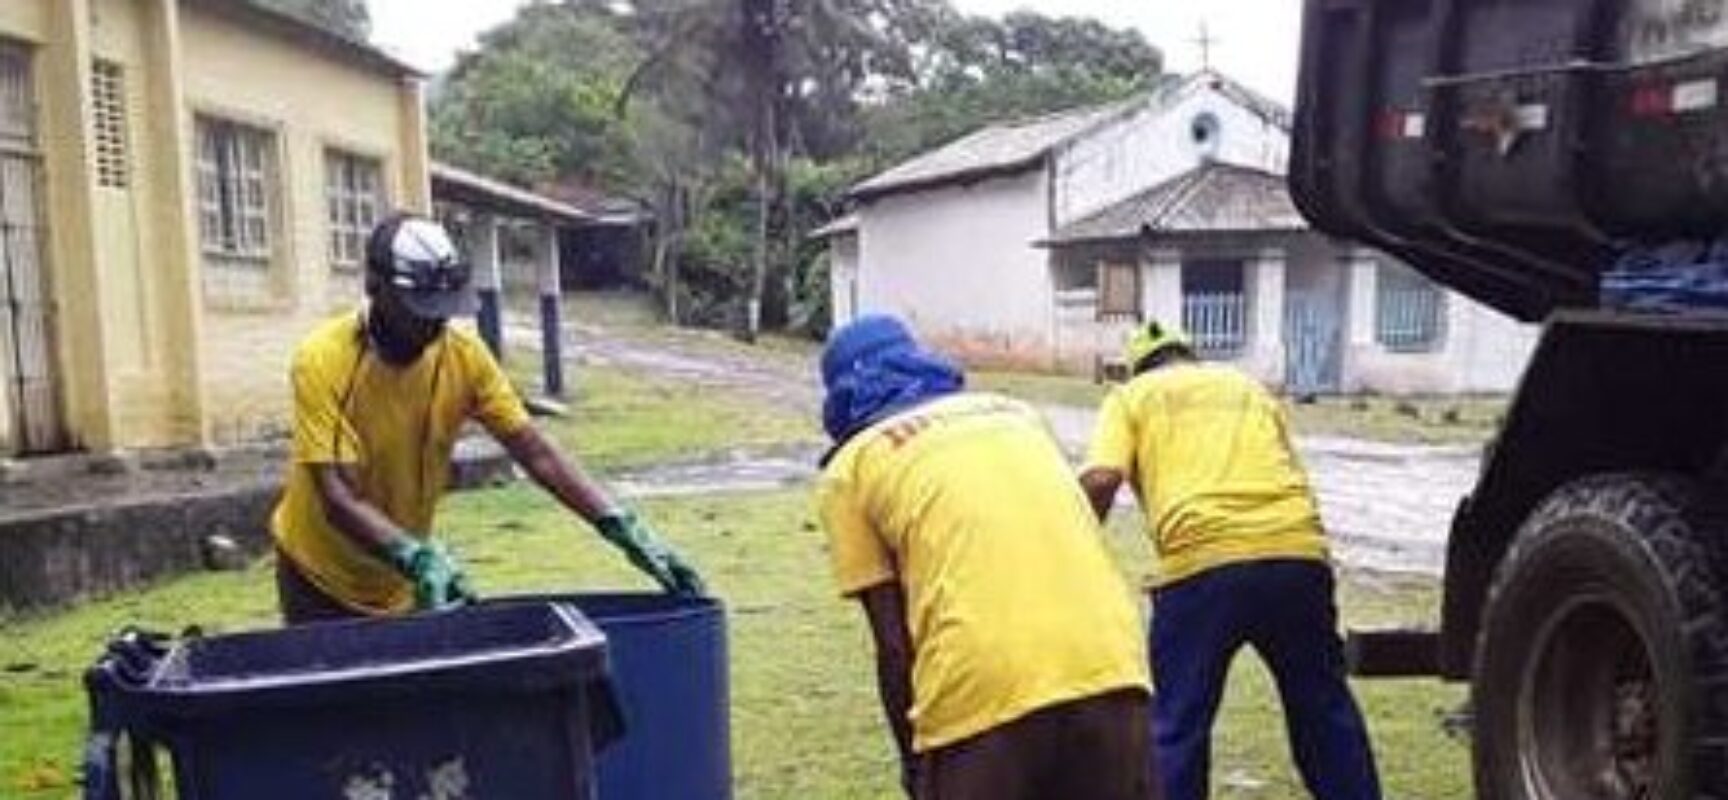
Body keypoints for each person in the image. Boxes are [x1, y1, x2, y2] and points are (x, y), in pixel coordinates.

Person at [271, 213, 704, 624]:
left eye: (441, 307)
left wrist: (621, 526)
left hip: (403, 578)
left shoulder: (465, 358)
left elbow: (537, 454)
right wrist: (415, 554)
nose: (433, 323)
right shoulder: (323, 361)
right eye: (418, 307)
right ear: (375, 287)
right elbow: (338, 498)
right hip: (319, 579)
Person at [815, 314, 1160, 800]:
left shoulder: (852, 467)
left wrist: (915, 763)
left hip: (981, 694)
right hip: (1113, 669)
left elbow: (893, 645)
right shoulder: (1015, 415)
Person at [1079, 321, 1382, 800]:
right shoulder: (1247, 388)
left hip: (1202, 566)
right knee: (1324, 709)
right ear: (1189, 356)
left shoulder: (1131, 396)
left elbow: (1100, 479)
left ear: (1138, 367)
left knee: (1178, 726)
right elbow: (1289, 466)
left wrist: (1078, 551)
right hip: (1296, 556)